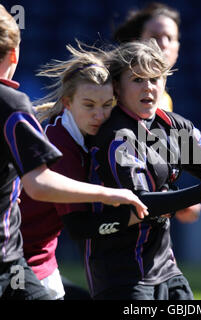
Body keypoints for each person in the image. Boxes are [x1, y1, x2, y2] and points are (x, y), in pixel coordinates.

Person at [79, 39, 201, 300]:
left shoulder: (172, 126)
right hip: (121, 277)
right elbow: (140, 204)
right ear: (117, 86)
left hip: (166, 270)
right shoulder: (116, 137)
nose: (148, 86)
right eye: (137, 79)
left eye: (155, 78)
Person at [0, 4, 147, 300]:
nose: (99, 115)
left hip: (33, 262)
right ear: (14, 54)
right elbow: (41, 187)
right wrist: (109, 195)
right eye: (89, 105)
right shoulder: (15, 108)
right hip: (17, 261)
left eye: (107, 106)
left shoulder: (95, 138)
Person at [113, 2, 201, 223]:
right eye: (155, 35)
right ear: (137, 41)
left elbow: (152, 163)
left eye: (170, 38)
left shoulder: (163, 102)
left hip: (148, 220)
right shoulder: (116, 96)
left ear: (178, 47)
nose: (162, 44)